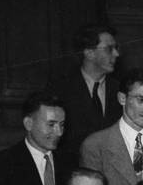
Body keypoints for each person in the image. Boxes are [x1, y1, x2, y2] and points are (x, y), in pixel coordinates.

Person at [46, 24, 122, 160]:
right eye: (109, 49)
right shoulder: (61, 88)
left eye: (116, 48)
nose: (116, 54)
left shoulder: (121, 90)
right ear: (89, 53)